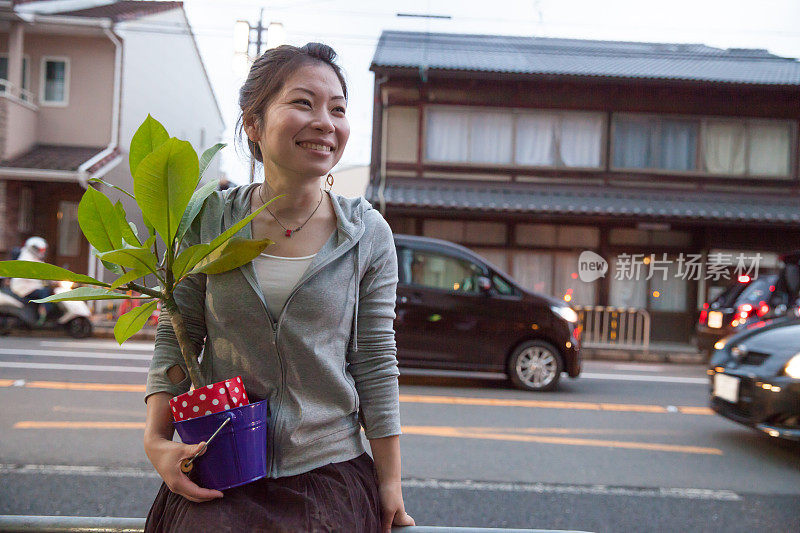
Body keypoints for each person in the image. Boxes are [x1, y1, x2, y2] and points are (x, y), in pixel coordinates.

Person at [143, 43, 415, 533]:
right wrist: (157, 441)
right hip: (222, 459)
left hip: (327, 471)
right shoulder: (209, 221)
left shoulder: (367, 234)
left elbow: (375, 360)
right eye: (303, 103)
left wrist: (389, 480)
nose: (325, 122)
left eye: (338, 109)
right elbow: (178, 335)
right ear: (253, 123)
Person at [10, 236, 54, 324]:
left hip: (31, 286)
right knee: (45, 293)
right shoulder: (26, 259)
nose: (42, 252)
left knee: (47, 290)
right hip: (23, 288)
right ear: (33, 248)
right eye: (41, 250)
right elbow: (37, 274)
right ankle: (47, 316)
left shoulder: (34, 258)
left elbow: (45, 270)